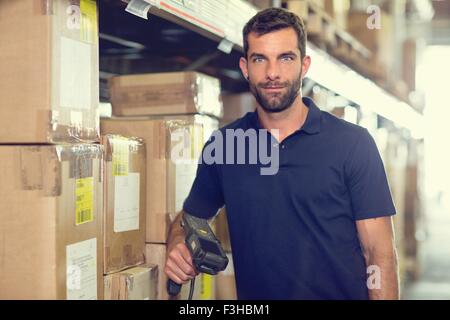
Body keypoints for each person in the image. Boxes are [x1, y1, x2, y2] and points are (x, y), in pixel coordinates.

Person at [165, 7, 399, 300]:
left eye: (285, 58)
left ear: (304, 65)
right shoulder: (225, 146)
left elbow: (379, 254)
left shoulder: (352, 144)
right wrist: (177, 242)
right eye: (260, 59)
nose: (272, 73)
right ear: (245, 67)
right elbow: (190, 217)